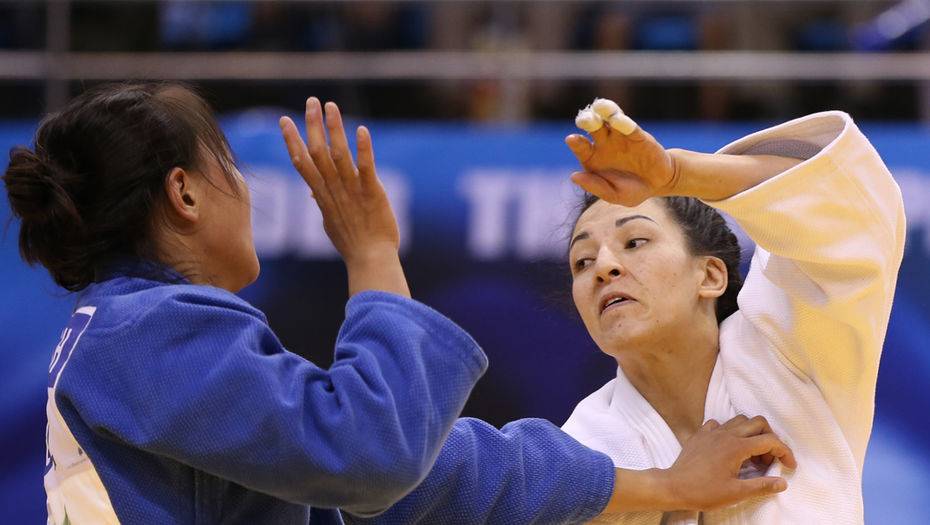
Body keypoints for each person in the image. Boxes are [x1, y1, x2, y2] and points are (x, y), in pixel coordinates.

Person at [4, 83, 796, 525]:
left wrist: (665, 485)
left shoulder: (138, 335)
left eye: (635, 243)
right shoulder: (147, 331)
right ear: (183, 194)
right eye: (228, 166)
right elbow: (376, 454)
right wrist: (374, 253)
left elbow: (436, 471)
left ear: (713, 275)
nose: (246, 189)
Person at [557, 104, 905, 523]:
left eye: (635, 242)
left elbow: (846, 210)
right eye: (582, 262)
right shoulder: (581, 450)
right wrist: (673, 490)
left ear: (710, 276)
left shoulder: (790, 347)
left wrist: (678, 176)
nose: (603, 267)